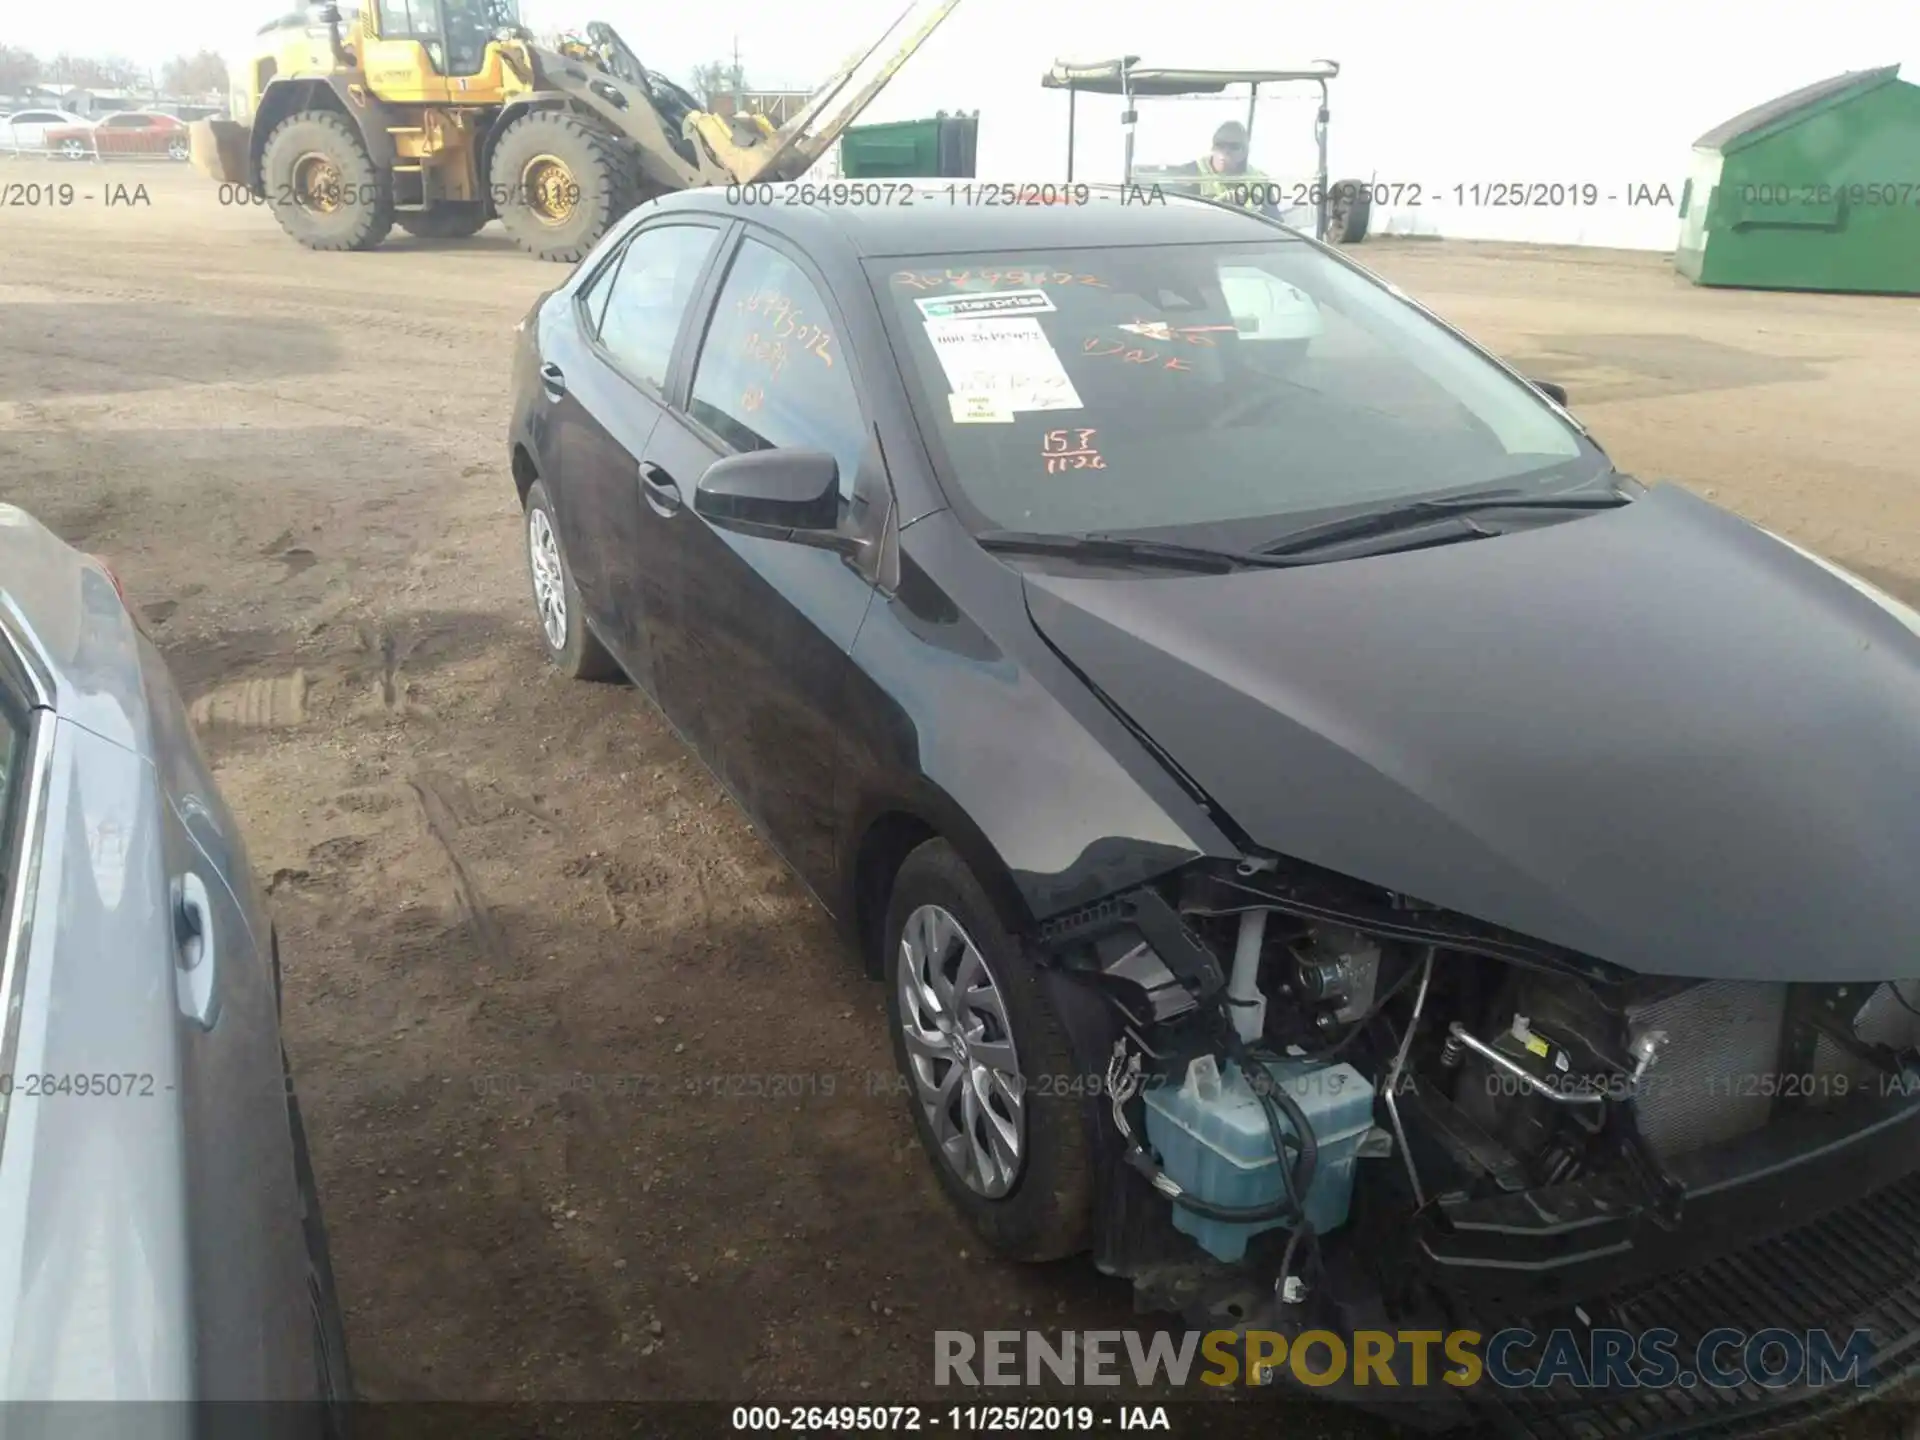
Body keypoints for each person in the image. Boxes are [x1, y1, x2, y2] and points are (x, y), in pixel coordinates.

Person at [1166, 121, 1280, 217]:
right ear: (1212, 147)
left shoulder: (1260, 181)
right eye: (1220, 145)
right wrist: (1216, 206)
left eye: (1234, 146)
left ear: (1245, 152)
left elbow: (1276, 226)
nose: (1225, 151)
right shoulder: (1190, 175)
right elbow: (1178, 220)